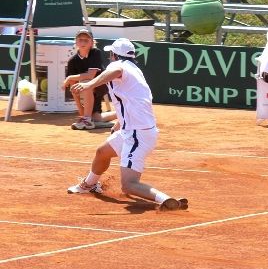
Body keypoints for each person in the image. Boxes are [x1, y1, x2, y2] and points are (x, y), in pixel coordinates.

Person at [67, 38, 188, 211]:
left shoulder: (119, 65)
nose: (110, 57)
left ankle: (168, 199)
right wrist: (120, 122)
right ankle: (89, 185)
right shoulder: (135, 70)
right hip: (132, 129)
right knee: (102, 152)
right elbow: (133, 101)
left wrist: (90, 84)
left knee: (129, 185)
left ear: (114, 55)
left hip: (137, 135)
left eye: (111, 54)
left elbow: (116, 70)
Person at [62, 29, 117, 130]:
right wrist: (81, 113)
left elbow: (91, 75)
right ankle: (124, 113)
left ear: (92, 42)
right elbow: (72, 87)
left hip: (101, 86)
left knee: (85, 83)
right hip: (86, 91)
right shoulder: (72, 61)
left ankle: (87, 120)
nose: (83, 42)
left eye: (86, 40)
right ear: (76, 41)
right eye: (80, 39)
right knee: (97, 118)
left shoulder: (95, 52)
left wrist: (70, 77)